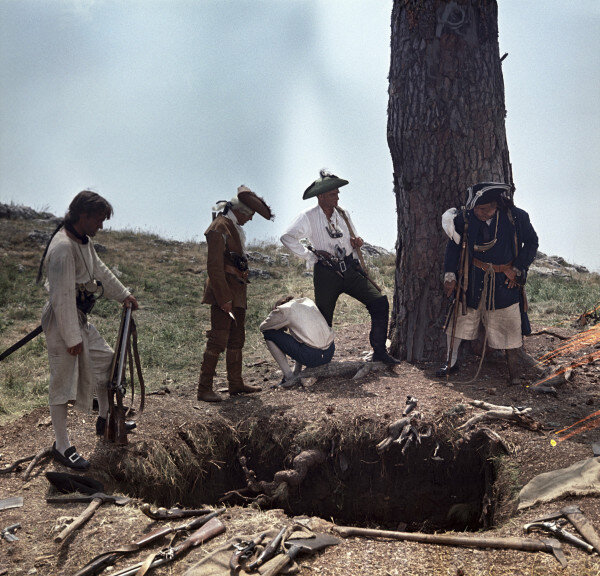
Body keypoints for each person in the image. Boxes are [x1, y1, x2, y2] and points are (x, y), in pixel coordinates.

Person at [40, 190, 138, 470]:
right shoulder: (62, 248)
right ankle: (62, 446)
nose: (101, 226)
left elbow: (100, 271)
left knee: (107, 361)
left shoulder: (83, 242)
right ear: (83, 215)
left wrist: (124, 295)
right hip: (62, 322)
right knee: (61, 384)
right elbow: (60, 298)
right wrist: (72, 338)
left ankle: (105, 419)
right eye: (98, 219)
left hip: (79, 317)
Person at [280, 169, 400, 364]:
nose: (337, 196)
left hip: (350, 270)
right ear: (320, 196)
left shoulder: (343, 214)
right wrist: (310, 255)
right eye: (333, 194)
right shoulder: (308, 216)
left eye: (337, 193)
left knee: (379, 302)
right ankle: (321, 359)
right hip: (326, 273)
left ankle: (379, 351)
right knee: (323, 320)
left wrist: (356, 243)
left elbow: (350, 238)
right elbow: (287, 237)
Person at [437, 182, 539, 383]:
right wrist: (450, 275)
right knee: (459, 320)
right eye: (477, 209)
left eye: (484, 209)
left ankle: (514, 373)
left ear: (495, 205)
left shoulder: (517, 217)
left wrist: (518, 268)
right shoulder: (465, 219)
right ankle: (451, 362)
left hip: (504, 282)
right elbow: (453, 247)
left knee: (509, 324)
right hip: (471, 279)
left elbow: (532, 243)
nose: (480, 213)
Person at [197, 186, 274, 402]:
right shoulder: (219, 227)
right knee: (218, 339)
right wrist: (224, 298)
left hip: (237, 289)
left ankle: (236, 383)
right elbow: (214, 267)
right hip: (225, 292)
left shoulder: (232, 227)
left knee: (237, 337)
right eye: (250, 216)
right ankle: (204, 389)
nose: (250, 220)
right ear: (241, 212)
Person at [260, 296, 335, 385]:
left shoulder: (285, 309)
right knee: (300, 335)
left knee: (268, 334)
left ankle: (289, 377)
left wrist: (277, 317)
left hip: (313, 357)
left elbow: (263, 327)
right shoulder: (308, 302)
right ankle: (296, 372)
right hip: (329, 352)